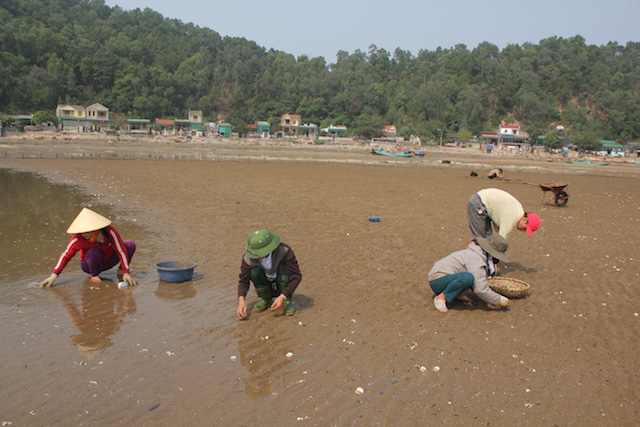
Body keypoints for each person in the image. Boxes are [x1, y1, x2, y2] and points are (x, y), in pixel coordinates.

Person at [39, 208, 137, 288]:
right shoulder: (77, 239)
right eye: (82, 231)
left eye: (86, 231)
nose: (84, 234)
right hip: (90, 264)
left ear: (95, 229)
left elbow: (121, 250)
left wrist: (126, 271)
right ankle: (94, 275)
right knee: (94, 251)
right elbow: (66, 256)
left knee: (130, 245)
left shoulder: (109, 232)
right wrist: (54, 275)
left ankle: (121, 271)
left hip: (108, 260)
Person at [428, 234, 510, 313]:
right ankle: (441, 297)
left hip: (443, 278)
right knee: (468, 278)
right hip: (438, 281)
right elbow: (480, 289)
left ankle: (458, 294)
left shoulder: (476, 253)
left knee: (469, 276)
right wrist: (498, 300)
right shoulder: (476, 259)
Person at [237, 228, 301, 319]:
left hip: (282, 281)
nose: (257, 255)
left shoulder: (284, 251)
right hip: (265, 282)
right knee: (254, 272)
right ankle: (266, 299)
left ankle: (286, 301)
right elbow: (243, 281)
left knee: (284, 269)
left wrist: (284, 296)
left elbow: (296, 277)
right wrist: (241, 300)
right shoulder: (248, 259)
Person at [467, 188, 540, 241]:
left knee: (488, 236)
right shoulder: (512, 218)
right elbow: (501, 241)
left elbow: (497, 219)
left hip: (485, 205)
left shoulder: (519, 209)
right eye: (525, 228)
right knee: (479, 238)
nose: (522, 231)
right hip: (478, 202)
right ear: (525, 219)